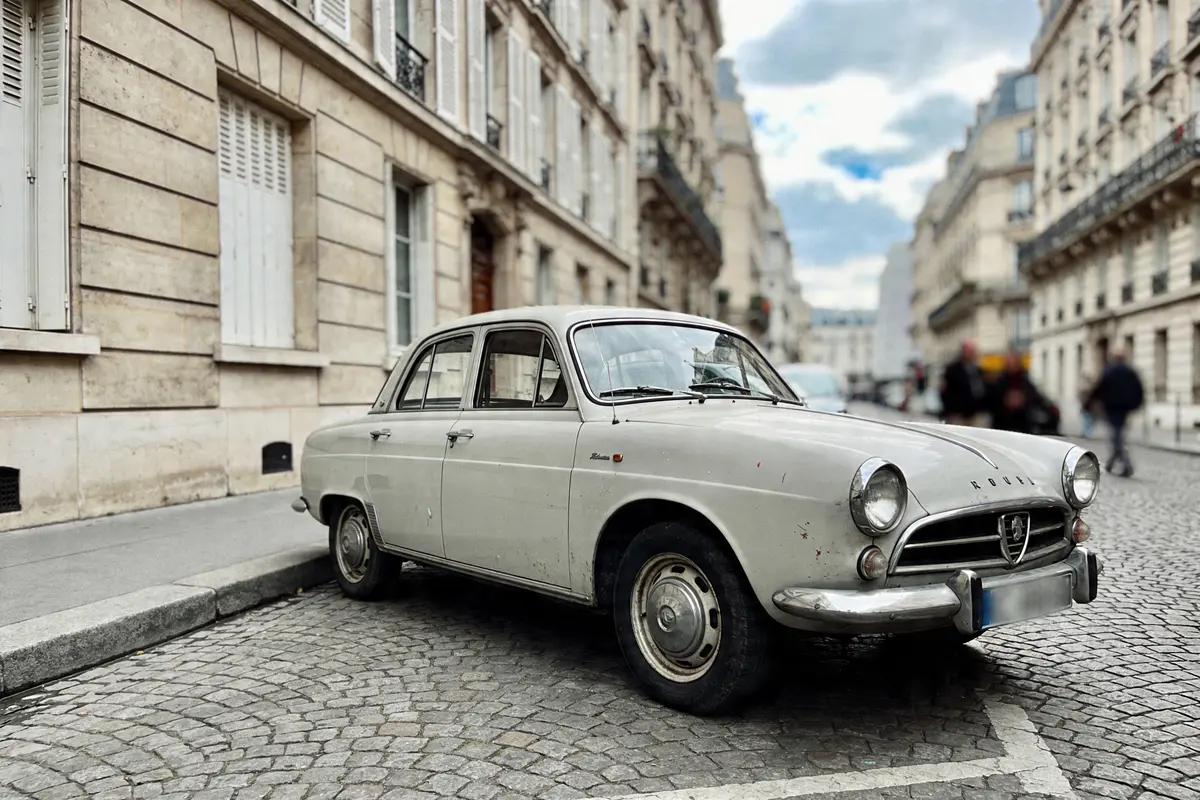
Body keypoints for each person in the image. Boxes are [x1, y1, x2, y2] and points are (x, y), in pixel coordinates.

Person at [1085, 349, 1144, 477]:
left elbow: (1098, 388)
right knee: (1117, 434)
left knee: (1116, 436)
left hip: (1112, 408)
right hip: (1125, 408)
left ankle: (1126, 465)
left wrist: (1088, 404)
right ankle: (1110, 464)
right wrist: (1136, 404)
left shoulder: (1110, 371)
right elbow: (1139, 389)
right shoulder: (1130, 372)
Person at [985, 350, 1046, 433]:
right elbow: (990, 402)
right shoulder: (999, 381)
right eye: (1009, 363)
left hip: (1022, 424)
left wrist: (1023, 399)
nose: (1012, 366)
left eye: (1014, 363)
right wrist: (1005, 401)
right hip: (1003, 425)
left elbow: (1036, 399)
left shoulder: (1025, 381)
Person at [939, 340, 988, 426]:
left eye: (973, 351)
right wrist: (951, 410)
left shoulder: (978, 370)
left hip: (975, 414)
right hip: (959, 416)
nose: (972, 354)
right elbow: (945, 392)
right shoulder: (952, 370)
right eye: (970, 351)